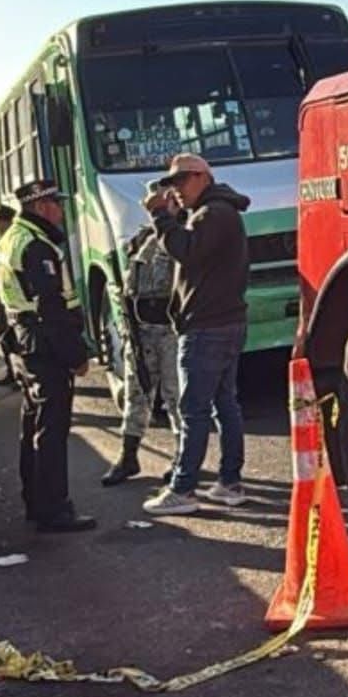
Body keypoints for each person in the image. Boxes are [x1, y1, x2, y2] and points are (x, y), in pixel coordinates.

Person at [140, 153, 250, 516]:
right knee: (224, 404)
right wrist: (174, 217)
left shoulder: (214, 214)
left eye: (183, 180)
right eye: (172, 183)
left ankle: (184, 488)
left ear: (203, 176)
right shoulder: (217, 211)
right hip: (225, 321)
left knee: (195, 410)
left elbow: (188, 251)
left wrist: (160, 216)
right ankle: (229, 482)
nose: (177, 189)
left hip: (208, 326)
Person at [0, 179, 95, 534]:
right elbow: (51, 308)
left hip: (22, 341)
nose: (61, 209)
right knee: (51, 429)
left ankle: (36, 502)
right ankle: (54, 509)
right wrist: (76, 355)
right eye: (55, 203)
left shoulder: (10, 240)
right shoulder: (36, 246)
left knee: (33, 424)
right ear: (40, 207)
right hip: (45, 344)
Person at [101, 224, 179, 485]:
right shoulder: (141, 238)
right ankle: (128, 455)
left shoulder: (180, 236)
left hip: (170, 330)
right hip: (140, 330)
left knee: (175, 395)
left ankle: (184, 456)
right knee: (136, 393)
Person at [0, 205, 18, 387]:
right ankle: (12, 372)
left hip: (17, 302)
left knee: (15, 340)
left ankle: (20, 374)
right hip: (4, 300)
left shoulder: (15, 241)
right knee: (6, 339)